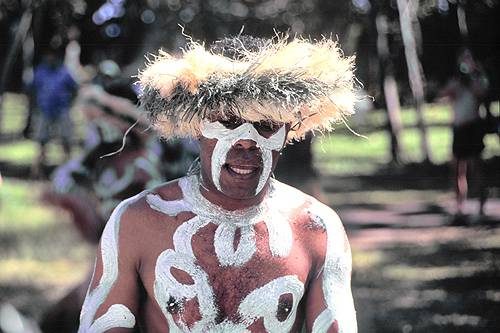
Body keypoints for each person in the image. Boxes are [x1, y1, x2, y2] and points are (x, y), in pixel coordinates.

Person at [78, 34, 359, 332]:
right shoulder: (138, 222)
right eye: (228, 121)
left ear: (287, 132)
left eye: (266, 125)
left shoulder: (317, 229)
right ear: (198, 126)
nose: (247, 142)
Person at [438, 49, 490, 224]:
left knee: (477, 168)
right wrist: (455, 86)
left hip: (473, 128)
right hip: (458, 129)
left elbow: (482, 94)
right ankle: (460, 209)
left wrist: (469, 84)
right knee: (458, 170)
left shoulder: (479, 80)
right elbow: (442, 95)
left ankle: (482, 209)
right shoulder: (456, 82)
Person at [26, 47, 79, 179]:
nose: (51, 58)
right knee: (41, 141)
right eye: (49, 55)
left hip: (62, 109)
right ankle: (37, 172)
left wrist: (71, 104)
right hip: (45, 110)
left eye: (53, 56)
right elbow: (30, 89)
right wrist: (34, 106)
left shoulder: (64, 70)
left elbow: (75, 88)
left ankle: (68, 171)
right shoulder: (40, 71)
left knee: (66, 139)